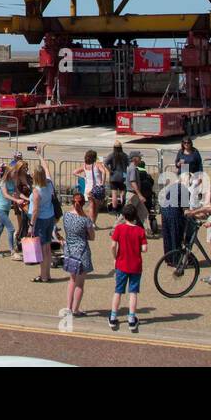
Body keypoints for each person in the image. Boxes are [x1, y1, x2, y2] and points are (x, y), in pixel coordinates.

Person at [109, 202, 148, 333]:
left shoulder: (119, 229)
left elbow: (113, 246)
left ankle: (113, 316)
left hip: (121, 263)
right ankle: (131, 318)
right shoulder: (140, 231)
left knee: (118, 291)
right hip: (135, 265)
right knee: (133, 292)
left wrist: (115, 258)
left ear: (124, 216)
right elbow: (145, 248)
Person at [61, 192, 96, 317]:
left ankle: (68, 307)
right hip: (82, 252)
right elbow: (92, 237)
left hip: (69, 250)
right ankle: (75, 309)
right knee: (80, 284)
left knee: (72, 280)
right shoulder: (85, 219)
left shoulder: (66, 216)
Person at [27, 155, 57, 283]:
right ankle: (46, 274)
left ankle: (44, 275)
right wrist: (40, 155)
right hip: (50, 216)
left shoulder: (36, 191)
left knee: (43, 249)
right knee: (48, 248)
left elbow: (35, 210)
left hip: (40, 220)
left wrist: (31, 225)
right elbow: (46, 168)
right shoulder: (49, 184)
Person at [0, 160, 29, 259]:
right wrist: (17, 200)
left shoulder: (12, 182)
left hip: (6, 208)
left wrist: (28, 198)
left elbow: (18, 193)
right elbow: (6, 195)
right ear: (9, 173)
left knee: (0, 228)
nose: (15, 174)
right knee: (11, 229)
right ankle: (13, 252)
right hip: (0, 208)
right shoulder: (3, 182)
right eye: (14, 173)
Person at [73, 150, 108, 224]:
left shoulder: (85, 165)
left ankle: (91, 223)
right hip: (97, 187)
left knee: (91, 205)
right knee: (96, 207)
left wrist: (83, 176)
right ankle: (93, 222)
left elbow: (74, 172)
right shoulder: (97, 164)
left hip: (88, 188)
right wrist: (103, 183)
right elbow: (104, 172)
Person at [105, 143, 129, 211]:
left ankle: (114, 208)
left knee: (114, 193)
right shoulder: (125, 155)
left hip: (114, 176)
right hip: (123, 176)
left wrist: (110, 170)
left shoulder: (112, 155)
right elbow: (129, 164)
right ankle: (123, 206)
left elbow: (105, 163)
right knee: (123, 192)